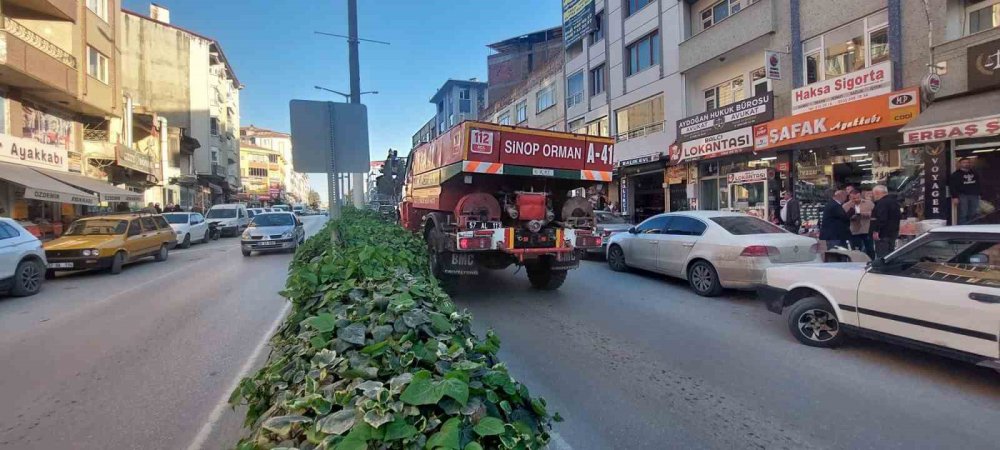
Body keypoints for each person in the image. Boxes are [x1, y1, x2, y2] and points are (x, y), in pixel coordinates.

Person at [871, 185, 901, 258]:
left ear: (877, 193)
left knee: (882, 256)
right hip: (893, 233)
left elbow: (881, 218)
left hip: (883, 234)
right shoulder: (895, 202)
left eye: (873, 194)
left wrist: (876, 231)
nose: (873, 196)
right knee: (890, 255)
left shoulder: (881, 203)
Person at [949, 157, 981, 224]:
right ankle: (963, 228)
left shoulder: (975, 173)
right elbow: (952, 186)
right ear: (960, 164)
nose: (966, 164)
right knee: (963, 213)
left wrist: (980, 193)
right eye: (964, 162)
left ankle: (975, 228)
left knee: (975, 213)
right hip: (962, 195)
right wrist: (955, 197)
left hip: (974, 195)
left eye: (968, 162)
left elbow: (979, 183)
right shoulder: (955, 174)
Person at [847, 189, 875, 259]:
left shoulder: (869, 203)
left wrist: (861, 214)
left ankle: (872, 261)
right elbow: (843, 216)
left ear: (860, 196)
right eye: (854, 198)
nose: (856, 200)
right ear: (850, 197)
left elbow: (875, 214)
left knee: (870, 249)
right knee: (856, 250)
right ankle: (857, 262)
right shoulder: (846, 205)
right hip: (854, 231)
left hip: (867, 230)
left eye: (858, 197)